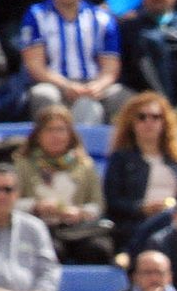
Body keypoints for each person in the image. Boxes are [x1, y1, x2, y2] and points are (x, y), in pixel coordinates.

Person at [12, 105, 112, 265]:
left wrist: (80, 212)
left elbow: (98, 204)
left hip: (78, 229)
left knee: (99, 249)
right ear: (38, 134)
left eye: (61, 130)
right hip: (39, 228)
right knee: (52, 251)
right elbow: (11, 203)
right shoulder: (22, 164)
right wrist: (36, 206)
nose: (56, 136)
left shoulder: (84, 165)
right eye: (50, 130)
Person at [103, 92, 177, 253]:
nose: (149, 122)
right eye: (142, 117)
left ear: (164, 122)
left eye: (155, 117)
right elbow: (112, 201)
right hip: (136, 224)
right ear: (131, 122)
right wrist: (142, 208)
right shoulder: (121, 159)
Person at [20, 0, 133, 124]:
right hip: (54, 83)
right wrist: (66, 85)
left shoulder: (102, 18)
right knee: (43, 94)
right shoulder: (36, 15)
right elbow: (35, 65)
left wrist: (97, 86)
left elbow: (110, 66)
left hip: (93, 83)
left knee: (122, 97)